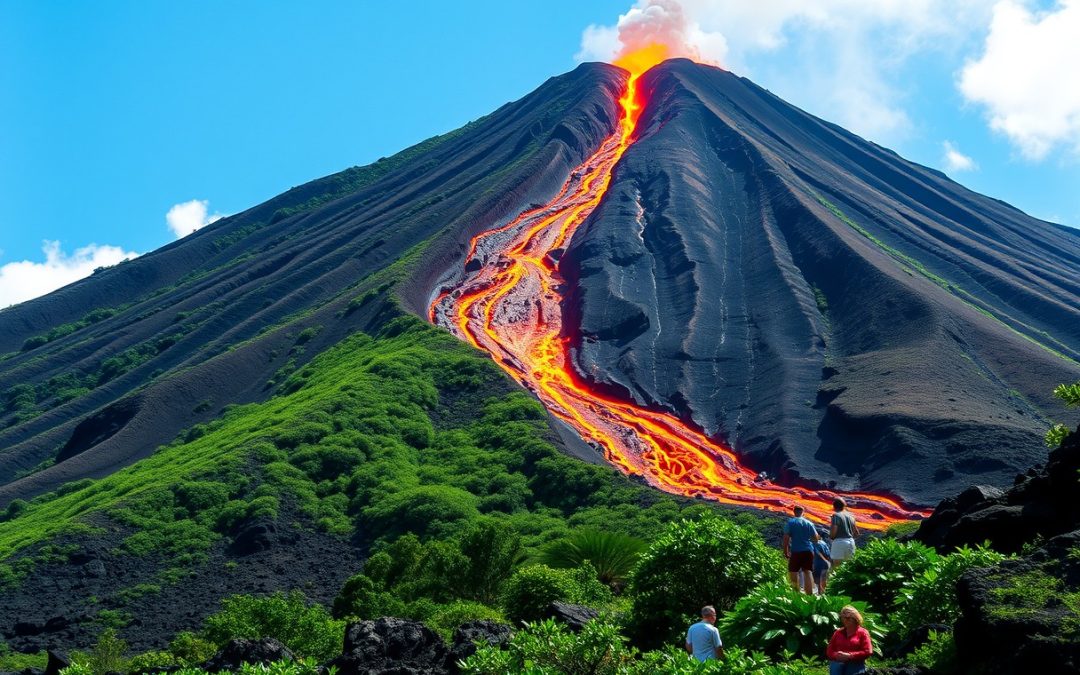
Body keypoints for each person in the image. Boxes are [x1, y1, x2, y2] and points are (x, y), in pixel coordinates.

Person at [826, 605, 873, 674]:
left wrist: (850, 655)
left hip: (855, 663)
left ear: (855, 618)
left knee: (851, 668)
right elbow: (829, 650)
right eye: (842, 618)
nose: (845, 620)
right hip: (838, 663)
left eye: (847, 618)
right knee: (836, 666)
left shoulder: (863, 633)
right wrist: (836, 655)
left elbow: (868, 651)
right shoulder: (838, 632)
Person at [782, 505, 819, 593]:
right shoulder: (809, 523)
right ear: (803, 513)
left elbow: (786, 538)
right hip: (808, 551)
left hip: (796, 551)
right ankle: (809, 595)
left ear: (794, 512)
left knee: (793, 571)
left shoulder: (790, 523)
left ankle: (796, 593)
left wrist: (786, 551)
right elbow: (816, 538)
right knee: (808, 571)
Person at [830, 498, 860, 568]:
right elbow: (856, 533)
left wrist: (831, 537)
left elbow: (833, 533)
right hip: (851, 542)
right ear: (844, 506)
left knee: (836, 567)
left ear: (834, 507)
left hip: (839, 542)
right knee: (849, 567)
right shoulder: (851, 516)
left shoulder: (836, 515)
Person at [813, 530, 832, 594]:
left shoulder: (817, 543)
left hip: (819, 562)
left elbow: (817, 552)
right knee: (824, 577)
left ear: (818, 536)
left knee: (817, 578)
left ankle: (819, 591)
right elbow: (828, 553)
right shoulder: (824, 543)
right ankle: (823, 592)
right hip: (826, 562)